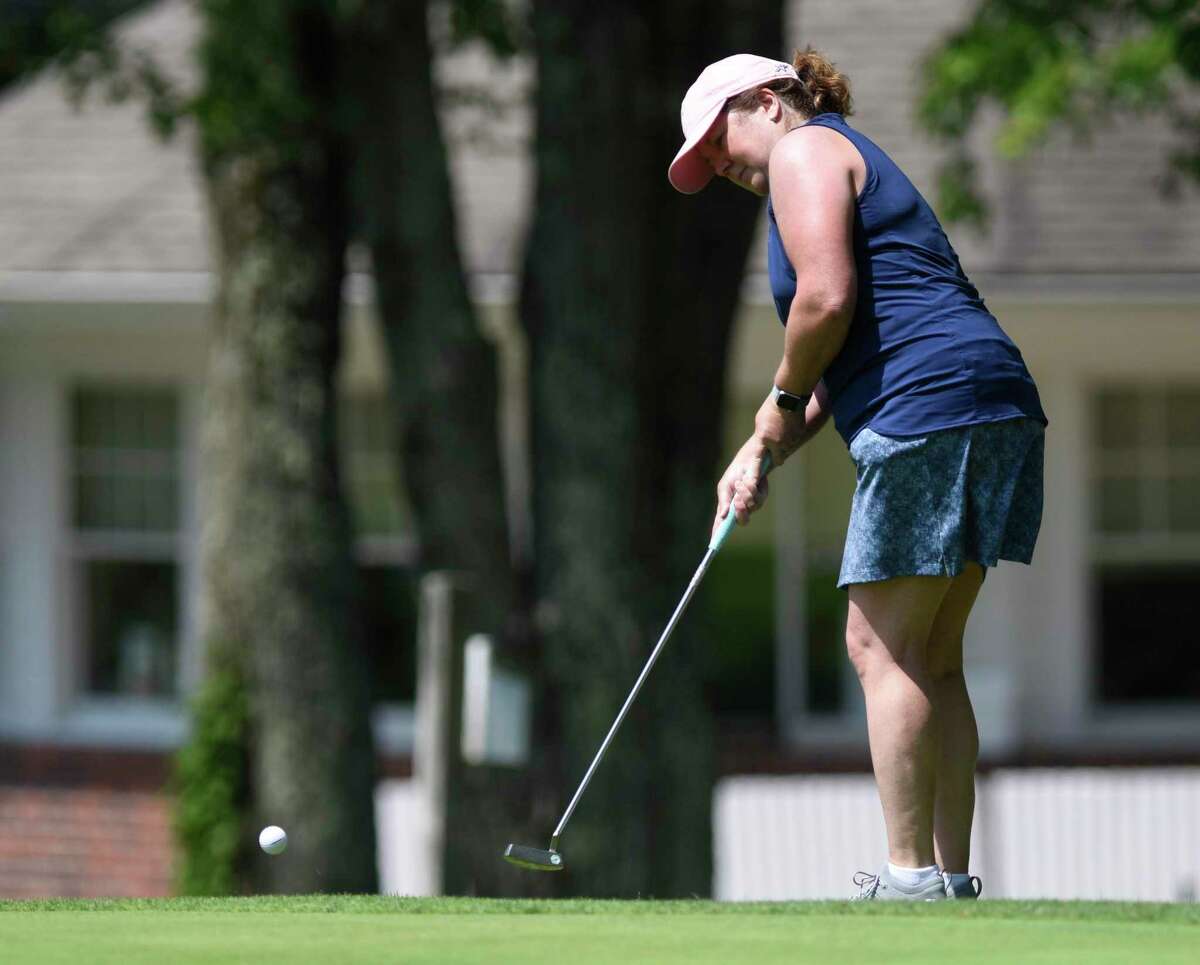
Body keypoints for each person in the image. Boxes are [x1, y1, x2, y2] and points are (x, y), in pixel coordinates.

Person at [669, 51, 1047, 901]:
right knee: (931, 652)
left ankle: (909, 876)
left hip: (929, 401)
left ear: (766, 102)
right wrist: (761, 445)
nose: (718, 164)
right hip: (989, 397)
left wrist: (775, 397)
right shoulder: (839, 154)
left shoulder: (804, 152)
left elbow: (826, 300)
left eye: (719, 138)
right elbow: (843, 361)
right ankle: (948, 878)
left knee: (877, 645)